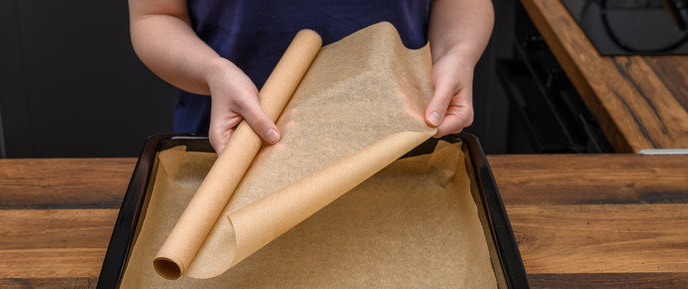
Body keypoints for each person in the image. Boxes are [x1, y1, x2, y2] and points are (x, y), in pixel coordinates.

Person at [128, 0, 494, 153]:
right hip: (232, 147)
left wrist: (458, 53)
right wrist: (213, 72)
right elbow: (156, 14)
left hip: (401, 145)